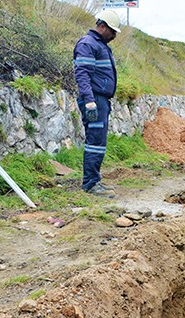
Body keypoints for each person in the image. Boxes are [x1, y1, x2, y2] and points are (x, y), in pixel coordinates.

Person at [73, 10, 121, 197]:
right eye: (112, 31)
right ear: (102, 27)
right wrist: (90, 101)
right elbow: (82, 73)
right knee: (95, 142)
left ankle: (94, 181)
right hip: (94, 99)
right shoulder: (88, 44)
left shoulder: (99, 45)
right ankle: (91, 184)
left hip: (100, 99)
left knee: (98, 142)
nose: (115, 35)